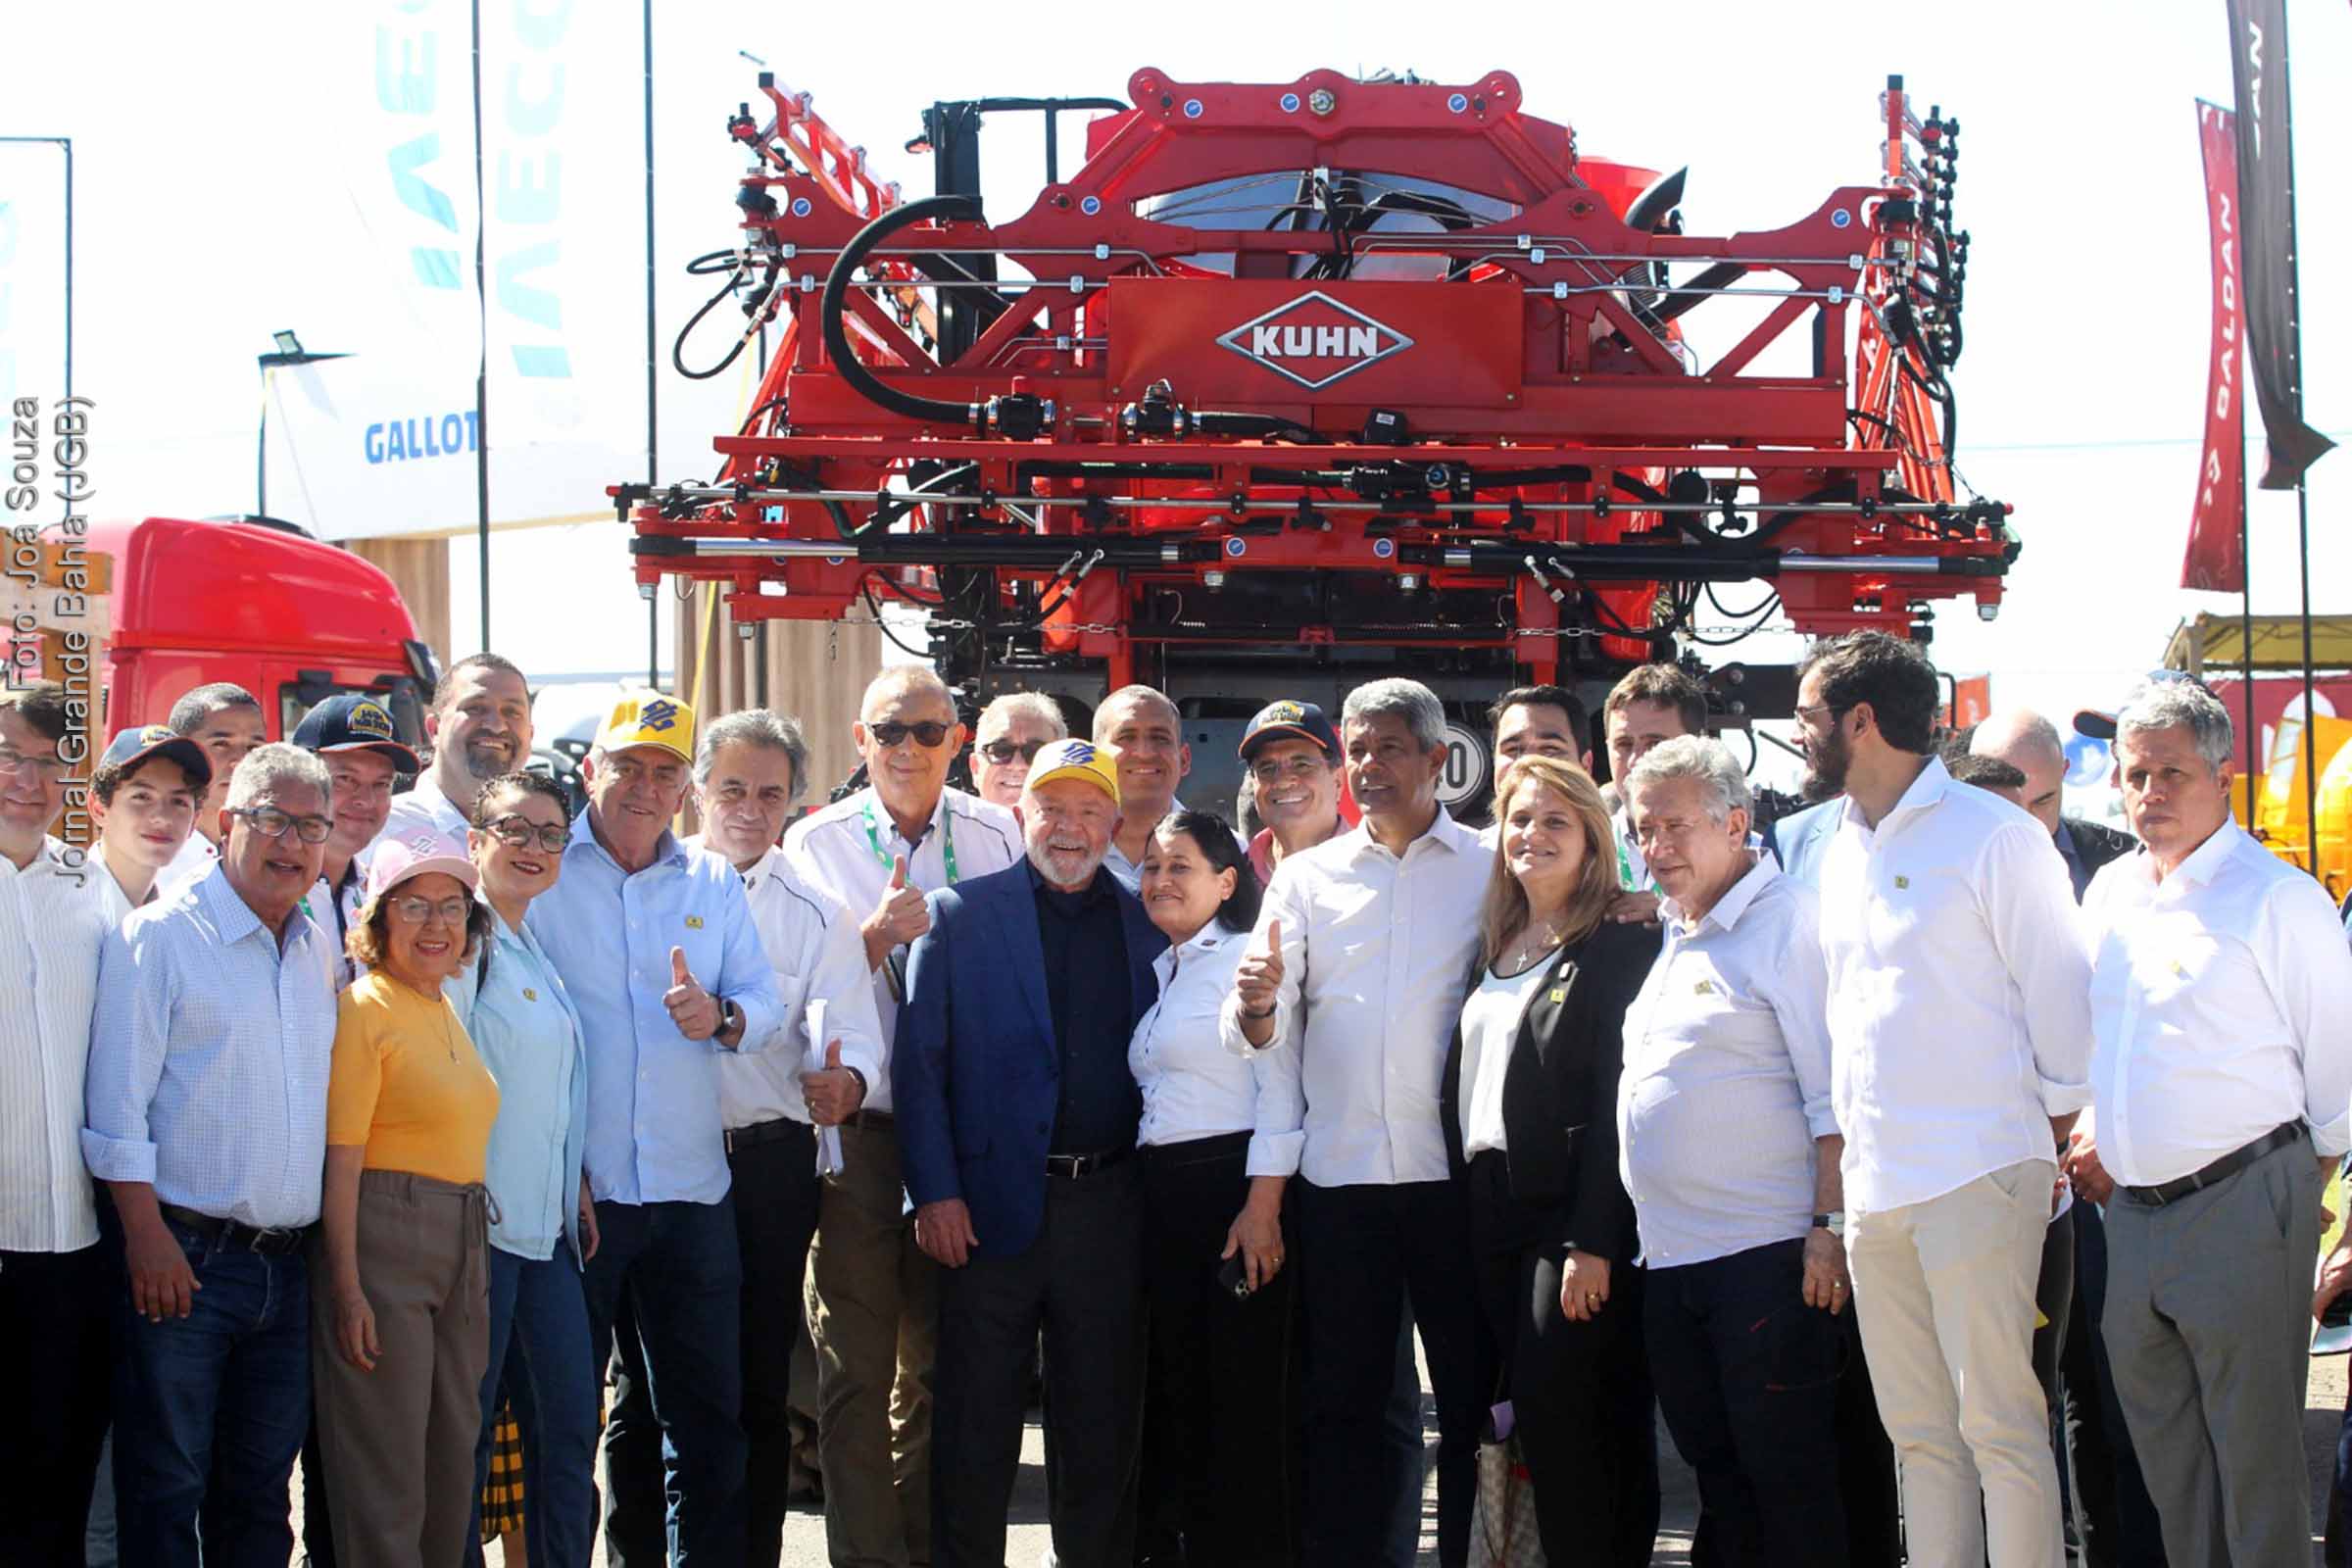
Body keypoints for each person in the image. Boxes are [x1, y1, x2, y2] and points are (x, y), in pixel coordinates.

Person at [1797, 631, 2089, 1568]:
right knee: (1919, 1439)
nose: (1798, 737)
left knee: (2001, 1428)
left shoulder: (1996, 835)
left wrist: (2028, 1161)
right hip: (1878, 1195)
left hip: (1981, 1175)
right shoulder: (1834, 849)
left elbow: (2068, 1027)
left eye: (1808, 719)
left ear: (1861, 721)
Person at [2067, 678, 2352, 1565]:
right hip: (2134, 1215)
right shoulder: (2111, 891)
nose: (2149, 792)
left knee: (2257, 1465)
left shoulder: (2277, 897)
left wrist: (2307, 1190)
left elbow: (2337, 1064)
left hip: (2243, 1201)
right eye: (2135, 773)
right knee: (2171, 1465)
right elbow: (2098, 1035)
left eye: (2171, 773)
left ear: (2222, 776)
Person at [1230, 677, 1495, 1568]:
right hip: (1340, 1186)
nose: (1370, 766)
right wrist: (1258, 1007)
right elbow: (1257, 1028)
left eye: (1388, 747)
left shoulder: (1493, 868)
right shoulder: (1306, 878)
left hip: (1453, 1183)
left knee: (1467, 1406)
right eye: (1358, 750)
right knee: (1343, 1408)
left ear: (1436, 758)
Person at [896, 738, 1168, 1568]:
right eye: (1052, 808)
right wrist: (934, 1196)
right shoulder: (956, 914)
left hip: (1110, 1212)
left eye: (1090, 810)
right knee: (976, 1429)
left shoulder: (1151, 923)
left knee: (1100, 1428)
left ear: (1116, 820)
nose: (1071, 827)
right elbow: (919, 1069)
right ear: (1021, 813)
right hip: (985, 1215)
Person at [526, 693, 784, 1565]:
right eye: (628, 766)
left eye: (664, 772)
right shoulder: (546, 871)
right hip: (582, 1198)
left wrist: (720, 1016)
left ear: (684, 790)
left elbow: (766, 1004)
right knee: (566, 1424)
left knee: (707, 1425)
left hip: (690, 1192)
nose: (644, 786)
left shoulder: (712, 879)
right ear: (592, 769)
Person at [624, 709, 883, 1568]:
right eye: (731, 787)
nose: (749, 807)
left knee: (753, 1387)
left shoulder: (819, 915)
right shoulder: (642, 888)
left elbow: (855, 1037)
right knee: (645, 1389)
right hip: (651, 1160)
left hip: (765, 1168)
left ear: (793, 804)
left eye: (770, 793)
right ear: (697, 790)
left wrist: (846, 1084)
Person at [784, 665, 1021, 1568]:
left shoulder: (1000, 834)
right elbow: (798, 985)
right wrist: (874, 938)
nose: (908, 750)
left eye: (927, 732)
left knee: (932, 1373)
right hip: (863, 1137)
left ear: (958, 740)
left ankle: (923, 1551)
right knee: (854, 1372)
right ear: (860, 741)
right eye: (890, 732)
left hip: (959, 1142)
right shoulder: (816, 844)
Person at [84, 743, 341, 1567]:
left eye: (310, 825)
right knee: (167, 1488)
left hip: (288, 1267)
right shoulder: (159, 936)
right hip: (186, 1260)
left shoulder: (315, 944)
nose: (291, 842)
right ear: (228, 823)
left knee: (261, 1496)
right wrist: (146, 1237)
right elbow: (116, 1107)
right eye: (272, 819)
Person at [1619, 736, 1849, 1568]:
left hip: (1767, 1257)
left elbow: (1837, 1101)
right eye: (1645, 830)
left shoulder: (1788, 927)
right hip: (1676, 1261)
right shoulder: (1681, 929)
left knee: (1787, 1485)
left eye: (1676, 827)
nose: (1657, 848)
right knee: (1721, 1484)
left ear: (1738, 823)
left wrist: (1829, 1226)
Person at [1440, 754, 1660, 1564]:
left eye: (1556, 821)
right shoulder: (1495, 940)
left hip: (1566, 1219)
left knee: (1571, 1424)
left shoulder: (1617, 942)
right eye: (1521, 820)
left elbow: (1617, 1104)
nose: (1533, 835)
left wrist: (1593, 1238)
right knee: (1522, 1421)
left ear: (1592, 839)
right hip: (1486, 1205)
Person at [1971, 709, 2157, 1568]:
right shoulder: (1951, 866)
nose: (2027, 823)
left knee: (2107, 1391)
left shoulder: (2121, 863)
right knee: (2010, 1399)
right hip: (2001, 1177)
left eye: (2040, 800)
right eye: (2007, 800)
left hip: (2105, 1170)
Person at [313, 829, 502, 1568]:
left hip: (463, 1239)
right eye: (415, 906)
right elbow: (343, 1156)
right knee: (387, 1466)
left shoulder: (444, 1005)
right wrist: (346, 1285)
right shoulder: (366, 1008)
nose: (436, 925)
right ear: (380, 919)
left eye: (452, 908)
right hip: (385, 1237)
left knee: (451, 1456)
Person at [1131, 809, 1304, 1565]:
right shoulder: (1165, 970)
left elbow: (1281, 1089)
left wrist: (1261, 1207)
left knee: (1242, 1405)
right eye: (1151, 866)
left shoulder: (1247, 960)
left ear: (1226, 880)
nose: (1161, 880)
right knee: (1184, 1399)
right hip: (1166, 1199)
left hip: (1231, 1196)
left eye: (1180, 866)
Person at [452, 770, 600, 1568]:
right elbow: (445, 1079)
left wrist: (572, 1176)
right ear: (476, 841)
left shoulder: (535, 947)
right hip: (479, 1230)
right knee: (467, 1436)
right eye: (515, 829)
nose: (534, 847)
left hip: (548, 1236)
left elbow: (540, 1088)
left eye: (551, 834)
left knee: (570, 1430)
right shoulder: (462, 941)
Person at [0, 684, 119, 1565]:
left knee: (62, 1479)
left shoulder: (89, 890)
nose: (30, 781)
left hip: (76, 1246)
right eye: (11, 758)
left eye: (48, 763)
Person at [294, 694, 418, 987]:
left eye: (382, 784)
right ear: (298, 776)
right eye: (345, 780)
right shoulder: (259, 890)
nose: (365, 800)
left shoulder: (379, 897)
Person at [384, 654, 532, 841]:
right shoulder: (381, 831)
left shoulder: (552, 841)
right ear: (434, 729)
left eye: (512, 712)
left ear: (531, 735)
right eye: (475, 708)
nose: (497, 725)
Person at [1597, 662, 1708, 897]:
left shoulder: (1742, 854)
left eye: (1654, 744)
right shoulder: (1580, 854)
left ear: (1696, 746)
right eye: (1624, 745)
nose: (1635, 762)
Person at [154, 682, 267, 900]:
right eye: (221, 744)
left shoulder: (273, 851)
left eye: (254, 748)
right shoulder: (151, 856)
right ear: (181, 752)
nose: (240, 762)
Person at [87, 723, 212, 921]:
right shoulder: (63, 906)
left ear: (194, 822)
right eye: (142, 797)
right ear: (99, 808)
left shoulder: (180, 918)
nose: (162, 817)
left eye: (179, 802)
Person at [1237, 700, 1347, 882]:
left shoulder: (1380, 872)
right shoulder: (1230, 877)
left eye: (1302, 765)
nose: (1283, 780)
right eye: (1267, 768)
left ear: (1338, 781)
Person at [1097, 684, 1193, 890]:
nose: (1144, 752)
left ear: (1184, 760)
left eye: (1160, 738)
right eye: (1126, 737)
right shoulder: (1063, 848)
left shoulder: (1226, 850)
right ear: (1095, 759)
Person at [970, 691, 1066, 809]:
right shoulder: (946, 826)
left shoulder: (1085, 828)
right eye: (1001, 750)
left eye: (1035, 752)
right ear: (975, 768)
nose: (1017, 765)